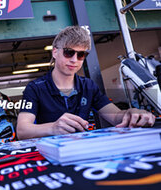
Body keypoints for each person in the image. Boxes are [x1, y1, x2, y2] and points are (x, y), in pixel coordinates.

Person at [17, 26, 155, 140]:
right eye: (68, 52)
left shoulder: (88, 86)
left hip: (84, 151)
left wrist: (132, 114)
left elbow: (116, 117)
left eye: (81, 55)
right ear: (54, 52)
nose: (74, 60)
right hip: (52, 154)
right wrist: (52, 127)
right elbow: (22, 130)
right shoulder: (34, 88)